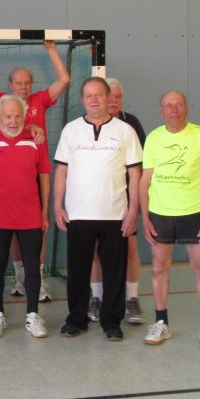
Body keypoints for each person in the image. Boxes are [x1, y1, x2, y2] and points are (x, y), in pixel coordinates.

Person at [0, 39, 70, 302]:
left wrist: (51, 50)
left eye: (27, 82)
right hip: (6, 181)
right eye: (18, 83)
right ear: (10, 86)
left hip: (33, 176)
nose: (23, 86)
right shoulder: (2, 102)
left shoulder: (40, 100)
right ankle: (19, 279)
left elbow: (63, 80)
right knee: (12, 232)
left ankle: (36, 281)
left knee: (36, 229)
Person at [53, 77, 142, 341]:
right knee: (78, 272)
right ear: (82, 99)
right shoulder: (71, 130)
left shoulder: (125, 131)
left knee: (115, 272)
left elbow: (135, 174)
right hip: (78, 214)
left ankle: (111, 322)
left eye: (99, 95)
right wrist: (57, 205)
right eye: (88, 95)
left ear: (108, 97)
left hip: (115, 214)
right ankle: (76, 319)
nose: (94, 99)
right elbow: (61, 170)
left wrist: (133, 210)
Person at [140, 90, 200, 351]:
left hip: (194, 213)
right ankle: (161, 322)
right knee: (158, 268)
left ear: (186, 108)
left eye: (178, 105)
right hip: (161, 213)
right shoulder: (153, 138)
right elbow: (145, 180)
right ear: (160, 111)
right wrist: (145, 217)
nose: (173, 109)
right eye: (168, 105)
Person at [0, 95, 52, 339]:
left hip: (30, 216)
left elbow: (44, 176)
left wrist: (44, 213)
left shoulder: (35, 139)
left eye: (18, 116)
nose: (13, 121)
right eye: (8, 116)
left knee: (32, 267)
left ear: (24, 117)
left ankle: (32, 315)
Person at [88, 78, 148, 325]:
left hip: (125, 200)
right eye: (108, 95)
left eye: (118, 96)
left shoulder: (131, 123)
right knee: (96, 252)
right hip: (96, 200)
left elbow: (142, 166)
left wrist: (137, 203)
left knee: (131, 249)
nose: (113, 100)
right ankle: (97, 298)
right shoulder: (87, 124)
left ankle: (132, 299)